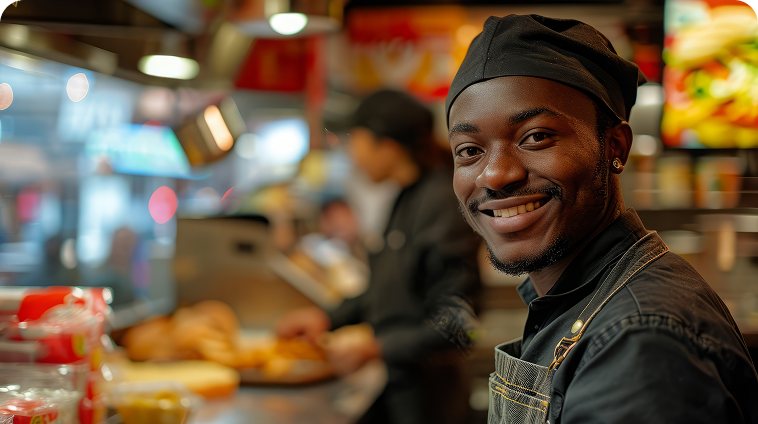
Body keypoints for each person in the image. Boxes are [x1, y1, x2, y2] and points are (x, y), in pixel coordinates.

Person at [445, 14, 758, 424]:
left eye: (536, 137)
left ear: (615, 145)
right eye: (469, 150)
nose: (496, 175)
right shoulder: (576, 301)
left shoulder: (639, 339)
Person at [277, 90, 481, 424]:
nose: (353, 156)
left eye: (356, 141)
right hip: (394, 391)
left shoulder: (442, 204)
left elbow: (461, 323)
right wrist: (327, 319)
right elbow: (388, 290)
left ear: (387, 146)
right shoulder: (405, 198)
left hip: (428, 404)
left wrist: (376, 347)